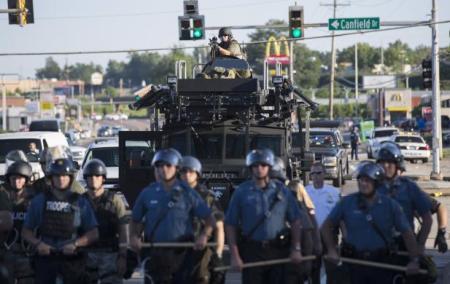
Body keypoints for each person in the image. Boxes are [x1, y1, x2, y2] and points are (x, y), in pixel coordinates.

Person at [321, 161, 421, 284]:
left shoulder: (390, 205)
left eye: (367, 180)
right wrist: (331, 249)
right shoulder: (346, 202)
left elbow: (407, 233)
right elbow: (326, 226)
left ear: (376, 183)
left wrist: (414, 260)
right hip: (353, 264)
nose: (363, 183)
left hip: (382, 265)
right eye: (360, 180)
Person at [130, 148, 215, 284]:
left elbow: (209, 218)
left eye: (168, 165)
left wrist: (204, 236)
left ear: (176, 168)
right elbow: (135, 220)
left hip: (182, 255)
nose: (164, 169)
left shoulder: (189, 193)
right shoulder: (147, 193)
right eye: (159, 165)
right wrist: (134, 236)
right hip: (155, 254)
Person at [225, 149, 304, 284]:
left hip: (278, 250)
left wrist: (296, 248)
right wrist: (234, 255)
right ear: (250, 168)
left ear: (269, 167)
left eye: (263, 165)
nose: (259, 169)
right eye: (255, 166)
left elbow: (296, 220)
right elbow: (230, 224)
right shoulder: (241, 192)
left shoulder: (282, 191)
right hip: (252, 251)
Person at [22, 157, 99, 284]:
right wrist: (38, 244)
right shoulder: (39, 201)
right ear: (51, 178)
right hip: (46, 260)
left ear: (70, 178)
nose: (61, 179)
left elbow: (93, 233)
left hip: (72, 261)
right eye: (57, 176)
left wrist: (76, 244)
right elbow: (26, 231)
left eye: (65, 175)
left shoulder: (80, 202)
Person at [270, 157, 317, 283]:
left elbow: (306, 231)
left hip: (290, 261)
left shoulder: (292, 198)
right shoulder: (257, 201)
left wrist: (307, 261)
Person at [180, 156, 225, 284]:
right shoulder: (172, 194)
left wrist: (218, 254)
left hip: (201, 250)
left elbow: (219, 227)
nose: (187, 175)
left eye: (191, 171)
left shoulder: (207, 197)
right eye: (183, 171)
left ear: (197, 174)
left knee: (201, 277)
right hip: (177, 251)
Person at [83, 159, 128, 284]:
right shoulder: (80, 201)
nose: (93, 179)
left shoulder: (115, 201)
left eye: (97, 175)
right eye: (90, 176)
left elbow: (123, 233)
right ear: (85, 179)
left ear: (103, 178)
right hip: (86, 255)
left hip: (110, 254)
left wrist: (122, 256)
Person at [305, 162, 341, 284]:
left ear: (324, 174)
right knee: (313, 270)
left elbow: (340, 217)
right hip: (312, 237)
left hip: (330, 236)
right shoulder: (305, 192)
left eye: (319, 173)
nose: (316, 176)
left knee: (332, 270)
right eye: (313, 173)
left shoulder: (334, 192)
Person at [0, 161, 36, 283]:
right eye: (13, 178)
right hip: (6, 250)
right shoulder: (3, 198)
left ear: (26, 180)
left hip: (28, 250)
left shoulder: (35, 199)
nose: (16, 182)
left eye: (20, 178)